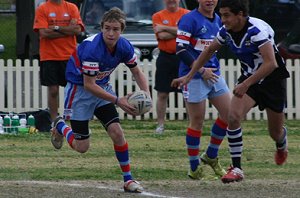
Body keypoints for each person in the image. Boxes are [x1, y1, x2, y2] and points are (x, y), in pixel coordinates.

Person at [172, 0, 290, 183]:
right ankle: (237, 168)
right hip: (250, 78)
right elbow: (209, 50)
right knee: (233, 117)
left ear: (240, 15)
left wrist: (245, 84)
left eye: (227, 15)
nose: (223, 19)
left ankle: (282, 143)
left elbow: (271, 63)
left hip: (272, 80)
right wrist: (189, 76)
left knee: (275, 133)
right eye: (223, 14)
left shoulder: (257, 31)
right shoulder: (225, 31)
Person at [50, 7, 150, 193]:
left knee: (117, 133)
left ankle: (128, 179)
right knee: (82, 147)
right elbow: (89, 85)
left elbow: (137, 71)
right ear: (101, 28)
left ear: (122, 30)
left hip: (102, 86)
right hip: (80, 90)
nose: (111, 33)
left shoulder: (124, 46)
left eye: (116, 29)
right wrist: (118, 100)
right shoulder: (92, 49)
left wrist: (146, 95)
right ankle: (60, 126)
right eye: (107, 28)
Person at [174, 0, 230, 179]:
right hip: (195, 76)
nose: (209, 0)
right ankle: (193, 167)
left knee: (230, 115)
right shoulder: (189, 19)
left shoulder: (220, 19)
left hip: (214, 74)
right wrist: (200, 70)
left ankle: (211, 155)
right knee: (197, 121)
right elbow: (180, 49)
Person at [33, 0, 84, 122]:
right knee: (53, 90)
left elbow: (77, 30)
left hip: (69, 56)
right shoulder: (43, 8)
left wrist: (55, 28)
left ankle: (73, 117)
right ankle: (54, 120)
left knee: (72, 89)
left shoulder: (72, 7)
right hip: (49, 56)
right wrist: (67, 29)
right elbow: (44, 32)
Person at [152, 0, 189, 134]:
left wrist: (165, 27)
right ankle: (160, 125)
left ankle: (191, 125)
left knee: (187, 93)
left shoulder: (187, 14)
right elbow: (161, 35)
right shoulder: (158, 16)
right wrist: (179, 31)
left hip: (184, 57)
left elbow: (189, 34)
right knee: (162, 93)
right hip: (165, 57)